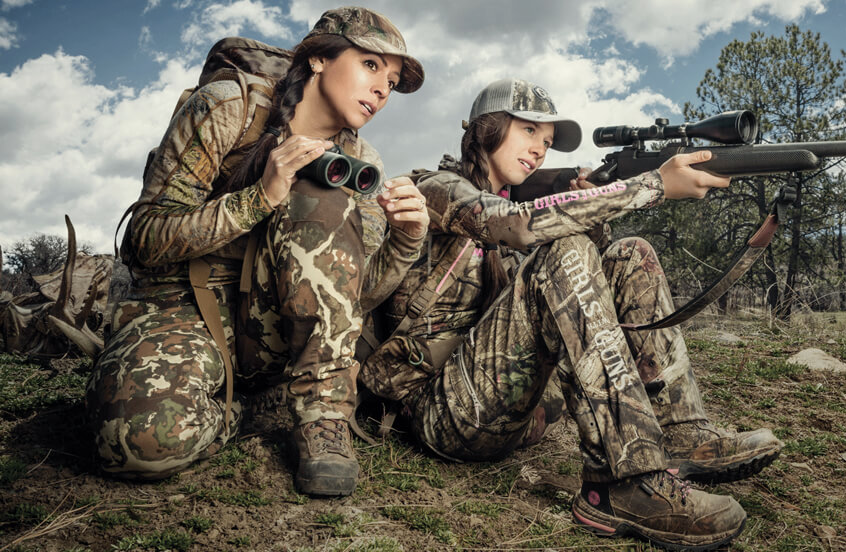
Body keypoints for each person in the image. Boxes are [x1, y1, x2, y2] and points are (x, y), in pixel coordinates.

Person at [359, 78, 782, 550]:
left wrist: (593, 212)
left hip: (510, 409)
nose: (539, 150)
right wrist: (652, 185)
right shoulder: (437, 189)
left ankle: (681, 434)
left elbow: (578, 287)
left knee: (631, 254)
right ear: (486, 129)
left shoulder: (526, 205)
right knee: (564, 247)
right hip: (441, 414)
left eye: (546, 141)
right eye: (528, 131)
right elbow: (514, 225)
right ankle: (622, 482)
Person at [86, 6, 429, 498]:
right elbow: (145, 238)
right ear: (318, 59)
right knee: (134, 442)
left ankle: (323, 416)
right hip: (184, 310)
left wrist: (406, 240)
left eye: (391, 83)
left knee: (321, 196)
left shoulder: (359, 165)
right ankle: (254, 410)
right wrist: (260, 197)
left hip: (272, 329)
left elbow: (350, 296)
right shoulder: (231, 107)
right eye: (370, 65)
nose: (382, 90)